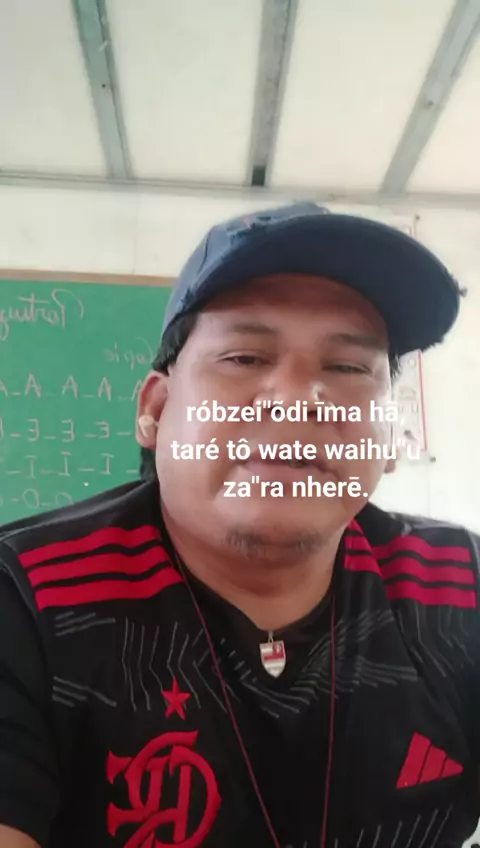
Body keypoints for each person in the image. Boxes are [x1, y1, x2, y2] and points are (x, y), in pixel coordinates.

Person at [0, 201, 478, 848]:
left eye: (346, 368)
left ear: (390, 437)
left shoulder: (457, 585)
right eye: (245, 358)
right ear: (155, 409)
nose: (297, 399)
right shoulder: (26, 598)